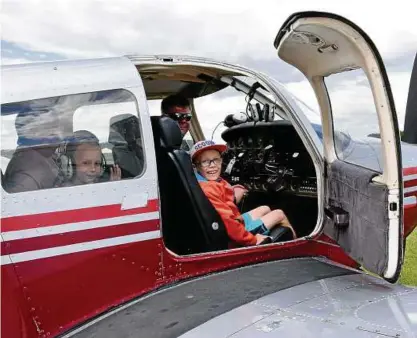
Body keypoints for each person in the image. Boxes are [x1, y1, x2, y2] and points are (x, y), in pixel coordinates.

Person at [190, 140, 296, 247]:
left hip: (231, 223)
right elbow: (228, 223)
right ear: (196, 166)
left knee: (265, 208)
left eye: (216, 160)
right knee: (279, 214)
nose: (212, 165)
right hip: (231, 235)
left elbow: (222, 196)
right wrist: (253, 240)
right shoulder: (209, 189)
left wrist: (231, 189)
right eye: (205, 162)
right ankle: (296, 250)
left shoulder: (205, 181)